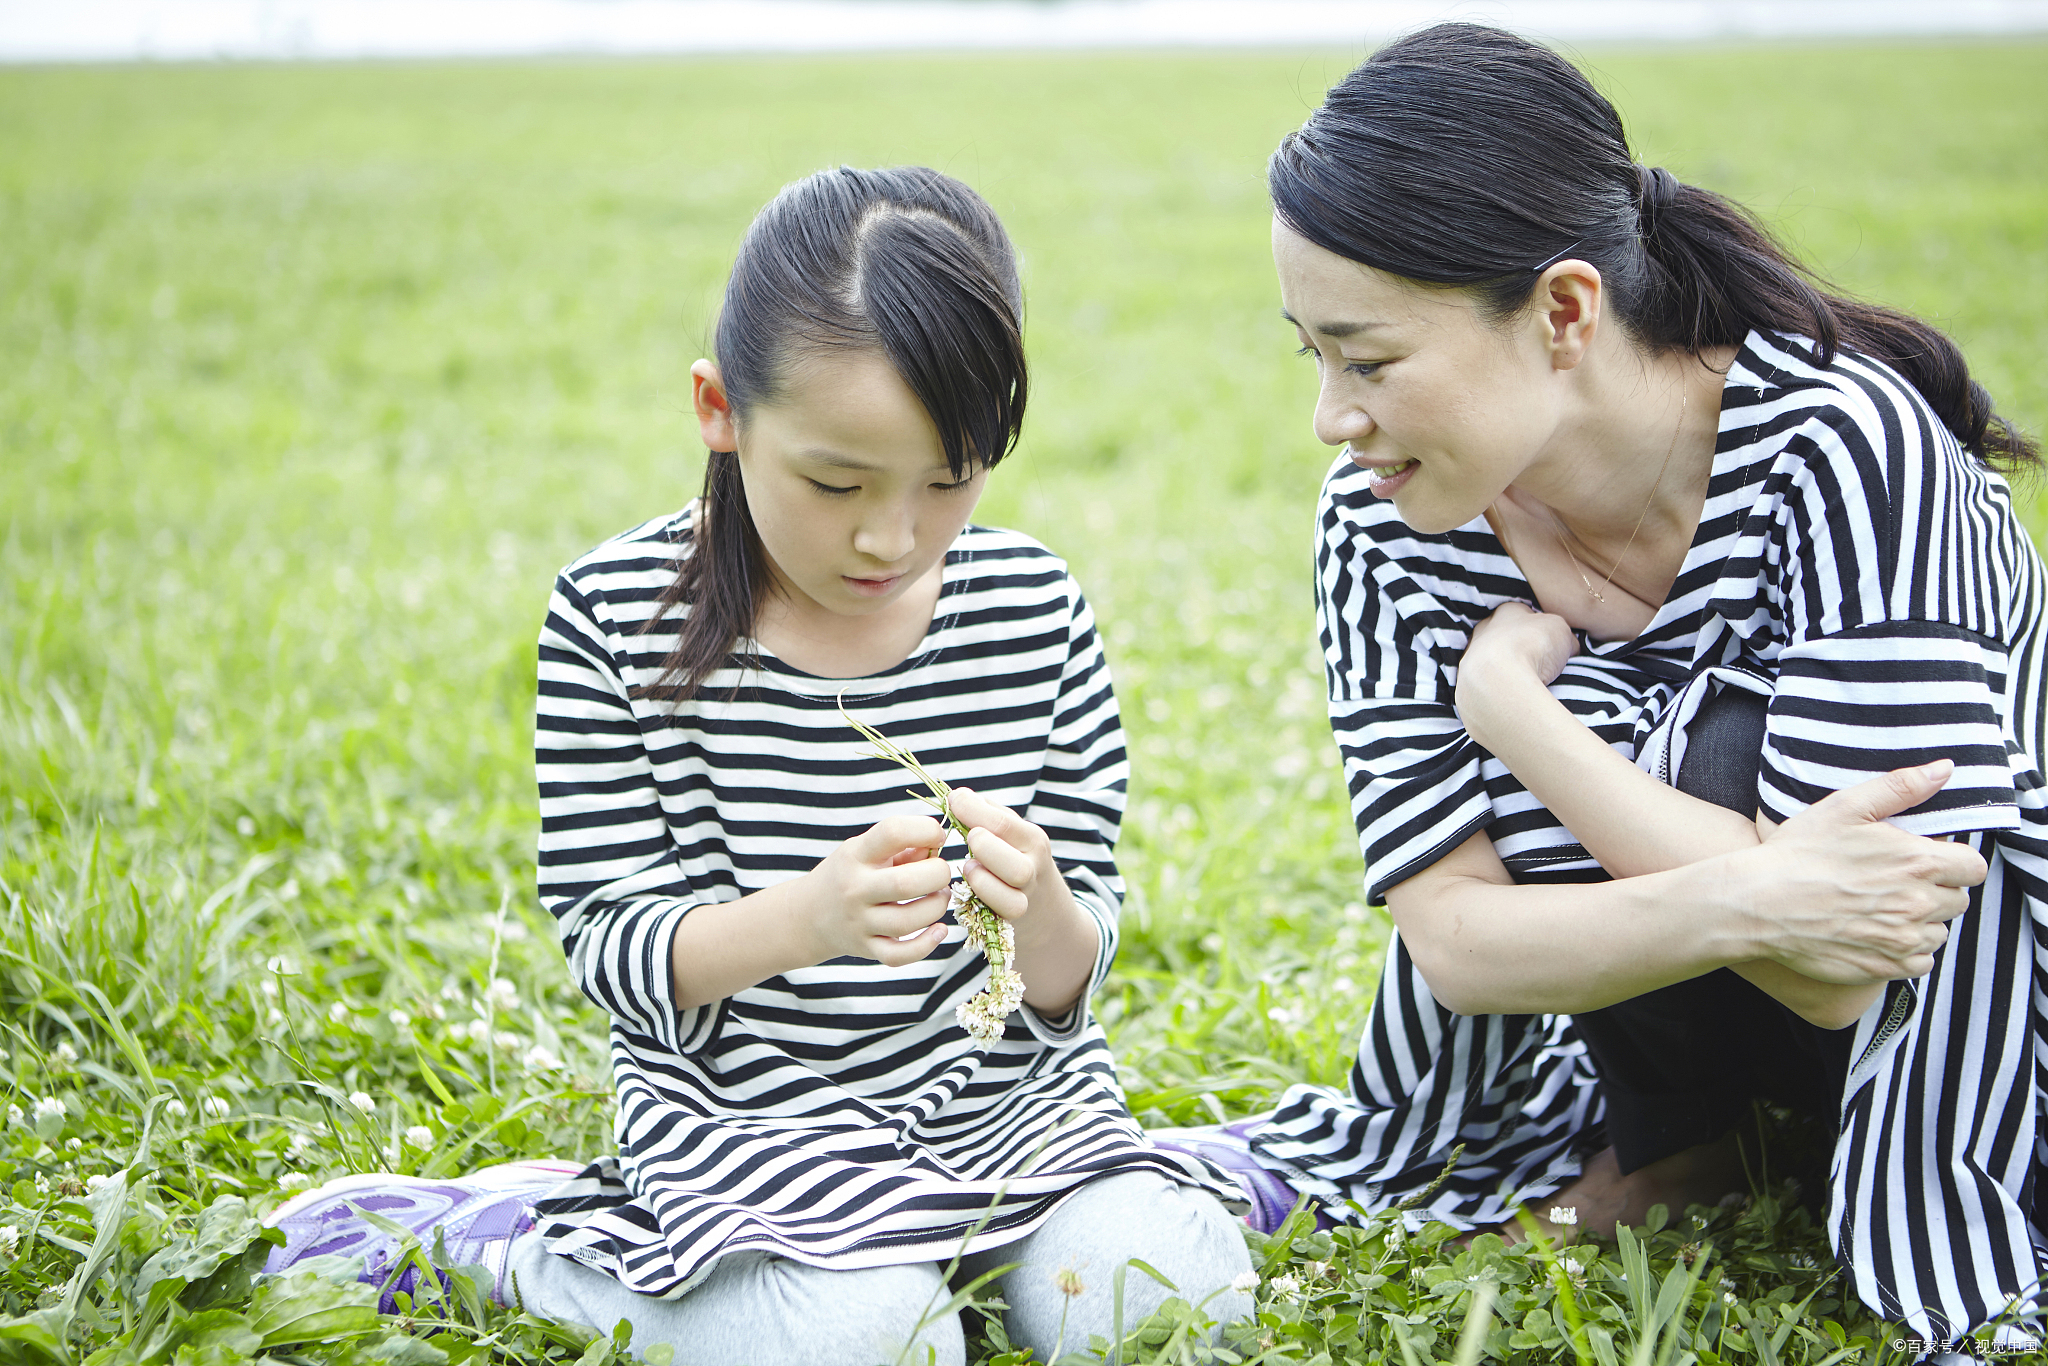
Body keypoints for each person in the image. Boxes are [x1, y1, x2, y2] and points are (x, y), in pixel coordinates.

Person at [1155, 23, 2044, 1355]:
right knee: (1677, 766)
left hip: (1965, 1006)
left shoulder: (1843, 448)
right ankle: (1699, 1144)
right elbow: (1454, 943)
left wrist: (1521, 720)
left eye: (1372, 360)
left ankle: (1745, 1152)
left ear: (1566, 312)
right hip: (1701, 990)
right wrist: (1752, 883)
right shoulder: (1387, 521)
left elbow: (1845, 976)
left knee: (1711, 739)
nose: (1334, 416)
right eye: (1315, 357)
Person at [264, 165, 1252, 1364]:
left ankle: (1099, 1213)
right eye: (835, 482)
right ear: (718, 409)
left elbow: (1069, 971)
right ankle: (511, 1249)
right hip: (751, 1121)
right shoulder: (617, 616)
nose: (891, 538)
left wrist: (1038, 904)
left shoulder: (1034, 610)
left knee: (1168, 1305)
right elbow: (611, 946)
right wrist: (806, 918)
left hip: (1014, 1115)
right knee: (876, 1343)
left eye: (949, 482)